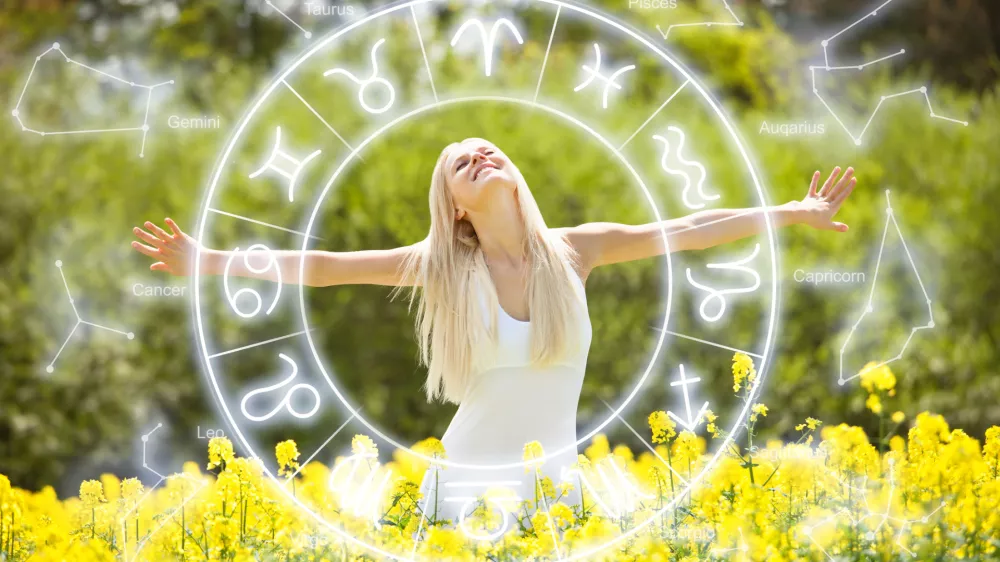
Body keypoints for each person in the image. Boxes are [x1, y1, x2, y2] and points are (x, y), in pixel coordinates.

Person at [131, 137, 856, 525]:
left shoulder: (576, 251)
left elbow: (688, 230)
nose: (479, 155)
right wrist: (211, 260)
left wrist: (790, 213)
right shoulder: (441, 268)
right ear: (454, 208)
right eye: (459, 163)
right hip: (464, 493)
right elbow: (323, 267)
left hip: (558, 495)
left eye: (486, 150)